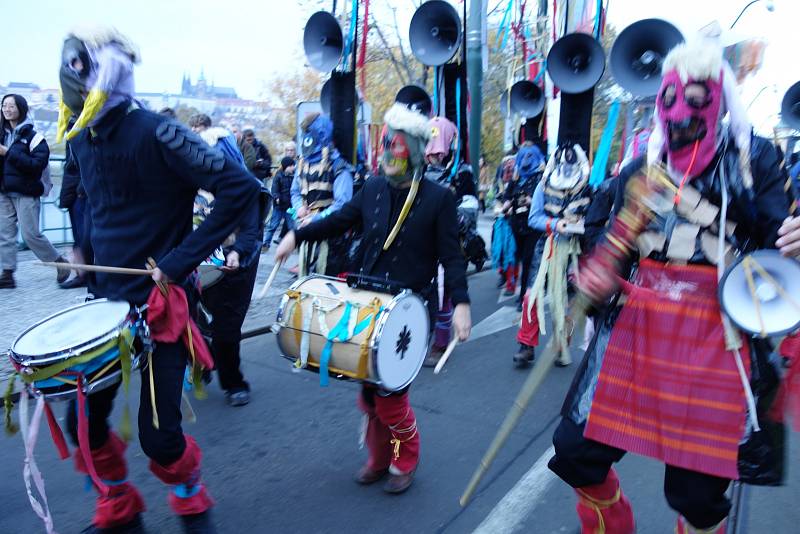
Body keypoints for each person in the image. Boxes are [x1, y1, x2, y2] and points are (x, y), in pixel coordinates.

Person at [547, 40, 790, 533]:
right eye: (670, 98)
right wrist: (600, 272)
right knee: (575, 451)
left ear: (719, 101)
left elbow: (779, 247)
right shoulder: (641, 170)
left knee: (695, 496)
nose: (681, 112)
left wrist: (794, 244)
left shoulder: (754, 161)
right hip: (639, 329)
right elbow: (603, 228)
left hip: (715, 340)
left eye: (697, 98)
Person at [56, 29, 259, 533]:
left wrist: (179, 260)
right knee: (81, 423)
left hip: (159, 308)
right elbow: (88, 197)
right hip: (104, 307)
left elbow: (241, 189)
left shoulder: (157, 132)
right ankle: (120, 506)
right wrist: (81, 247)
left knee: (160, 437)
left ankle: (192, 501)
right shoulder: (80, 136)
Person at [274, 103, 471, 494]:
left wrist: (461, 303)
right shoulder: (373, 187)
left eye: (396, 148)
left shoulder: (439, 198)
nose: (388, 155)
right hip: (368, 304)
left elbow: (452, 257)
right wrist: (298, 234)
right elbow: (339, 219)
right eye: (385, 146)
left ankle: (404, 459)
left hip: (409, 312)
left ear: (414, 151)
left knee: (391, 400)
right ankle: (379, 459)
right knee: (368, 392)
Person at [195, 127, 265, 408]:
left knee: (227, 329)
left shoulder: (246, 187)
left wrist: (236, 253)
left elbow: (251, 231)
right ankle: (203, 360)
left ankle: (234, 382)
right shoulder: (192, 187)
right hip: (199, 266)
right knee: (190, 322)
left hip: (237, 266)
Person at [513, 144, 591, 367]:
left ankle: (562, 343)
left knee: (568, 300)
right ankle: (526, 345)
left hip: (574, 250)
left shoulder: (587, 189)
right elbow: (534, 218)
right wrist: (556, 224)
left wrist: (582, 225)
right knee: (532, 295)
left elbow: (593, 218)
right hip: (546, 247)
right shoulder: (543, 186)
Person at [422, 116, 479, 366]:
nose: (434, 155)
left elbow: (470, 207)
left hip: (449, 243)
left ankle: (440, 343)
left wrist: (447, 218)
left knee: (445, 296)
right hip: (421, 242)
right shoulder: (417, 169)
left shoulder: (462, 172)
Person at [0, 93, 70, 289]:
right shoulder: (2, 133)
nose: (7, 109)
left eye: (11, 106)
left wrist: (8, 153)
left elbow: (37, 164)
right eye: (4, 106)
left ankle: (59, 261)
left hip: (26, 191)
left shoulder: (34, 137)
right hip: (4, 191)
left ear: (20, 109)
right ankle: (7, 273)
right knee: (5, 234)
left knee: (31, 234)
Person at [290, 112, 353, 277]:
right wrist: (298, 208)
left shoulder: (338, 166)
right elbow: (295, 191)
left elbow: (342, 203)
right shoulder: (302, 163)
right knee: (306, 281)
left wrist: (315, 219)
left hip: (331, 238)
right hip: (308, 233)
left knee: (327, 280)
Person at [501, 142, 545, 308]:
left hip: (533, 226)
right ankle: (523, 290)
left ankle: (524, 297)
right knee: (519, 257)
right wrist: (506, 204)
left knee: (528, 259)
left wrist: (532, 201)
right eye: (523, 155)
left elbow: (546, 203)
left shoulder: (541, 179)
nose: (526, 159)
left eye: (529, 155)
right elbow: (507, 195)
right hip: (516, 224)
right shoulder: (516, 177)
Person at [58, 127, 89, 289]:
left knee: (84, 236)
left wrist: (81, 188)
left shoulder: (87, 127)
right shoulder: (72, 129)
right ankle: (81, 274)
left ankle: (86, 275)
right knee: (79, 236)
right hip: (73, 190)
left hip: (82, 191)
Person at [263, 156, 295, 251]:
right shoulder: (278, 176)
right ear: (286, 166)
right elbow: (274, 189)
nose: (293, 167)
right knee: (273, 226)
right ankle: (266, 244)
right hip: (279, 206)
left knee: (292, 226)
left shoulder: (294, 176)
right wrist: (277, 197)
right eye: (291, 165)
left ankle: (294, 244)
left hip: (290, 207)